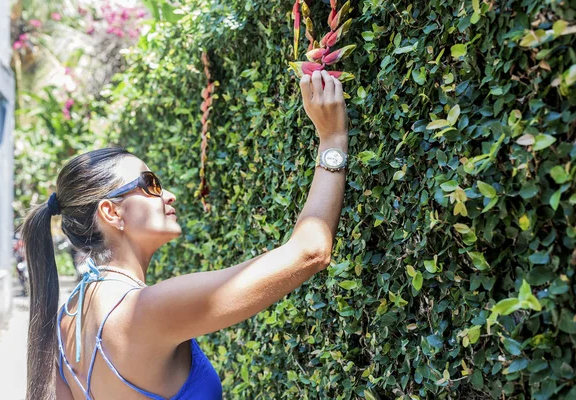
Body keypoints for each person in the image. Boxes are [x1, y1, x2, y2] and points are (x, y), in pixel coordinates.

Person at [21, 70, 349, 399]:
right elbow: (310, 251)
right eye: (150, 184)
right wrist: (332, 139)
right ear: (112, 212)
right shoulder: (146, 310)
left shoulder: (66, 323)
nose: (169, 195)